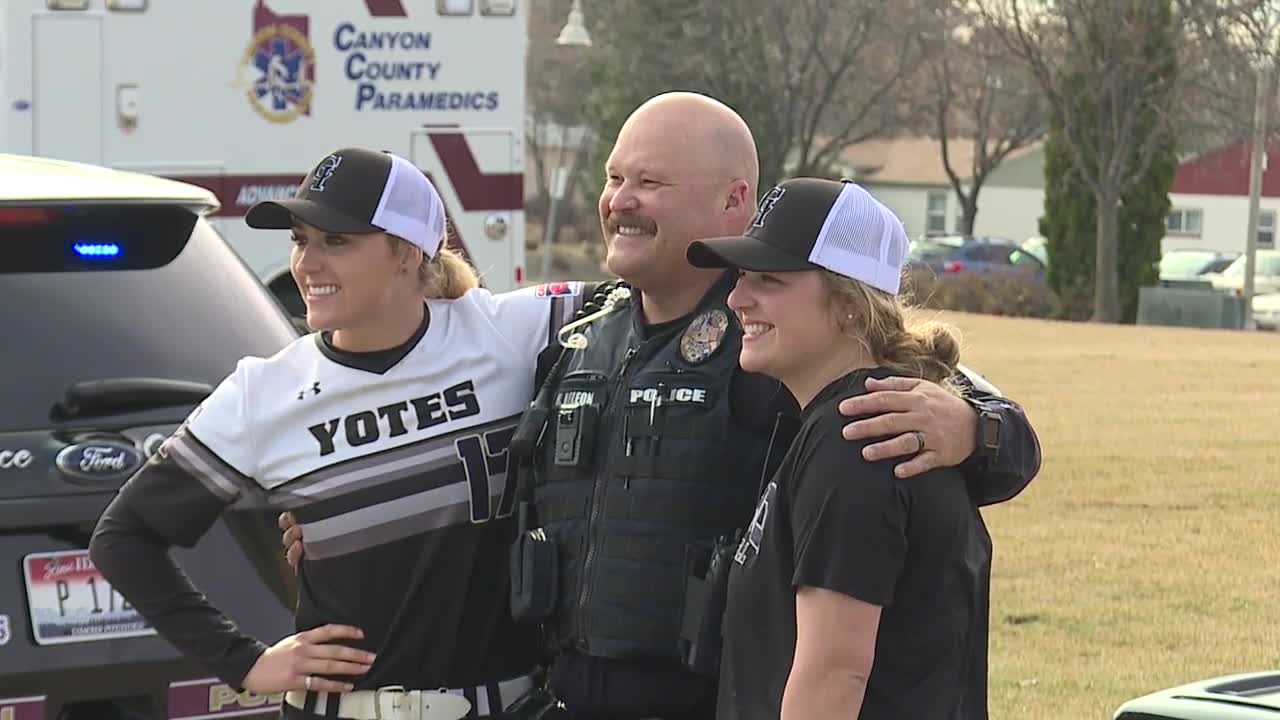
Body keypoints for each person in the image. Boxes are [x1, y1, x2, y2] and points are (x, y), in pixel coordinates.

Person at [282, 92, 1039, 720]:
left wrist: (977, 427)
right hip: (559, 692)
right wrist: (344, 521)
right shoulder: (569, 330)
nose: (619, 202)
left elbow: (918, 377)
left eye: (650, 183)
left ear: (733, 200)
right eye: (614, 179)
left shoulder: (780, 335)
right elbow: (464, 445)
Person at [89, 147, 597, 720]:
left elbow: (655, 297)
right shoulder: (262, 393)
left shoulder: (510, 331)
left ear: (407, 253)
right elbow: (122, 537)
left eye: (336, 242)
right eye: (301, 240)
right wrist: (245, 662)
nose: (306, 264)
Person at [687, 177, 992, 720]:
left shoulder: (857, 437)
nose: (737, 298)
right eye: (739, 277)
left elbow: (834, 674)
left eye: (769, 279)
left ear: (849, 305)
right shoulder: (853, 419)